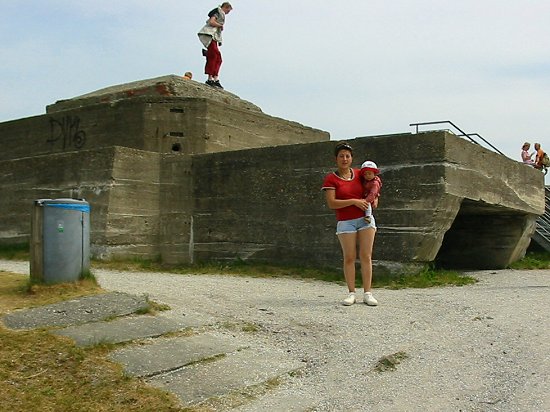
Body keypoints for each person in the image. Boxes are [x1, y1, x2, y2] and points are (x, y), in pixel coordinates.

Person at [322, 142, 378, 306]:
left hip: (365, 220)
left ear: (352, 158)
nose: (344, 159)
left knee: (366, 256)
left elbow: (374, 186)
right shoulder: (331, 178)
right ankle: (351, 293)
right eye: (341, 156)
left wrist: (375, 199)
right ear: (336, 159)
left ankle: (368, 293)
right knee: (349, 257)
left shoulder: (361, 174)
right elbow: (332, 203)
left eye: (347, 156)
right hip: (346, 222)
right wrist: (354, 201)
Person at [197, 3, 233, 89]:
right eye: (228, 10)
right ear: (225, 7)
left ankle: (215, 78)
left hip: (214, 37)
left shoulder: (221, 14)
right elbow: (211, 22)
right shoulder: (218, 12)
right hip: (209, 35)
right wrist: (220, 25)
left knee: (218, 58)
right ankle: (210, 78)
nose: (228, 12)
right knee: (214, 55)